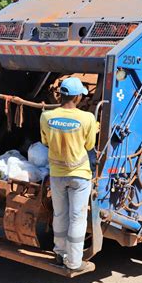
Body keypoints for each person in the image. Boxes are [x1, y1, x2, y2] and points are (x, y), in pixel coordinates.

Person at [40, 77, 97, 272]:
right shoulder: (88, 118)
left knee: (60, 214)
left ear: (60, 95)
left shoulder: (46, 116)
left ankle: (59, 252)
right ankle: (74, 262)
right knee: (77, 218)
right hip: (80, 174)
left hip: (57, 174)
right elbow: (90, 145)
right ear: (78, 96)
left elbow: (45, 141)